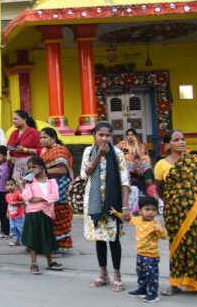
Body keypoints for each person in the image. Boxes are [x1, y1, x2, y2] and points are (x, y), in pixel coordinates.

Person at [154, 130, 197, 296]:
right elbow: (160, 188)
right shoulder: (161, 165)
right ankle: (175, 284)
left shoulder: (194, 161)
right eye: (176, 140)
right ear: (167, 145)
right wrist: (175, 202)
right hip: (174, 213)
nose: (181, 142)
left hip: (196, 212)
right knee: (177, 246)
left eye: (182, 139)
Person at [82, 121, 131, 292]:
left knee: (114, 238)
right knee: (100, 238)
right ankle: (102, 275)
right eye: (100, 135)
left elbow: (124, 180)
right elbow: (86, 173)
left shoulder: (117, 153)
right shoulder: (88, 151)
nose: (104, 138)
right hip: (94, 201)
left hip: (113, 201)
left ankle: (117, 276)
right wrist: (99, 156)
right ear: (94, 135)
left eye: (107, 135)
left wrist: (125, 206)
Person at [112, 196, 168, 303]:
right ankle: (142, 290)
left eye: (153, 210)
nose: (150, 212)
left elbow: (164, 236)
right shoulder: (138, 220)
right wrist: (117, 213)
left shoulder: (155, 223)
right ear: (140, 211)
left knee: (151, 275)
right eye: (147, 209)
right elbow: (127, 218)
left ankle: (153, 294)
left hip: (152, 255)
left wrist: (159, 229)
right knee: (141, 272)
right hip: (140, 254)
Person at [21, 156, 63, 275]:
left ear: (42, 167)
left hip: (47, 213)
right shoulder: (30, 182)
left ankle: (50, 261)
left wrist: (39, 198)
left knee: (47, 237)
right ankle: (34, 263)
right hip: (33, 213)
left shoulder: (51, 182)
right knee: (32, 239)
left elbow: (55, 196)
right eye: (30, 167)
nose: (32, 170)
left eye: (34, 167)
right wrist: (24, 184)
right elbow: (28, 197)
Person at [39, 127, 74, 252]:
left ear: (53, 138)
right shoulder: (45, 151)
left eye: (45, 137)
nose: (42, 140)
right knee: (50, 216)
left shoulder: (59, 149)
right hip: (50, 186)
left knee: (60, 215)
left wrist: (42, 172)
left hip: (61, 187)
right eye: (40, 138)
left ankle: (60, 246)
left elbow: (62, 170)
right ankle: (51, 245)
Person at [119, 129, 155, 198]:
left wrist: (136, 144)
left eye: (132, 135)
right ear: (126, 136)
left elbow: (141, 156)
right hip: (128, 168)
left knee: (146, 158)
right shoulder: (122, 144)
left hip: (140, 168)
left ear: (135, 136)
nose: (130, 136)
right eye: (128, 135)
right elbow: (115, 152)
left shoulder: (141, 144)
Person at [8, 110, 41, 181]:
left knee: (29, 185)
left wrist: (25, 150)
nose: (13, 121)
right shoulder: (13, 133)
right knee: (16, 185)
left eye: (15, 119)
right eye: (12, 119)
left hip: (29, 165)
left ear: (24, 120)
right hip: (15, 166)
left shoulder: (34, 133)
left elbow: (41, 150)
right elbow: (8, 147)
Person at [0, 146, 12, 239]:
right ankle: (2, 230)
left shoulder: (7, 165)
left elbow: (9, 160)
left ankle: (6, 231)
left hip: (4, 191)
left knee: (4, 211)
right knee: (0, 211)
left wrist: (8, 153)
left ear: (5, 156)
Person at [5, 178, 25, 246]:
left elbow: (23, 201)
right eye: (7, 185)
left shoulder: (18, 193)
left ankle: (25, 241)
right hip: (12, 216)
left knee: (21, 229)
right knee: (13, 228)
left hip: (19, 216)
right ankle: (16, 240)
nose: (9, 186)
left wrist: (16, 203)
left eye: (11, 185)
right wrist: (7, 212)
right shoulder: (7, 195)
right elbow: (9, 204)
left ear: (15, 185)